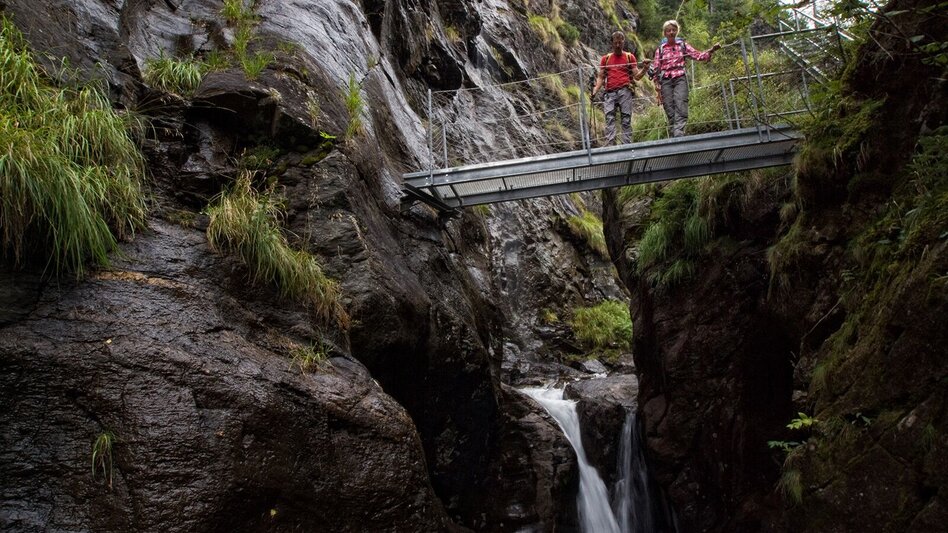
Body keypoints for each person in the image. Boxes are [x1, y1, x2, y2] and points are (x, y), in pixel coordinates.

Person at [650, 20, 721, 137]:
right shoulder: (661, 49)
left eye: (673, 30)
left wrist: (711, 50)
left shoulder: (683, 45)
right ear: (665, 33)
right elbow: (657, 67)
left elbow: (697, 55)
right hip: (666, 80)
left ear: (677, 31)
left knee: (681, 102)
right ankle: (676, 133)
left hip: (680, 78)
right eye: (668, 30)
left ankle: (678, 134)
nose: (671, 32)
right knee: (668, 106)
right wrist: (657, 84)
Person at [592, 31, 650, 146]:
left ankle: (626, 145)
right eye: (616, 42)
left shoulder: (629, 57)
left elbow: (637, 76)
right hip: (609, 92)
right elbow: (601, 77)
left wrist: (645, 69)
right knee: (609, 118)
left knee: (626, 119)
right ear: (612, 43)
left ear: (624, 41)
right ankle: (611, 145)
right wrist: (594, 91)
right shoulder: (605, 59)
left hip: (625, 91)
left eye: (620, 42)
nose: (618, 45)